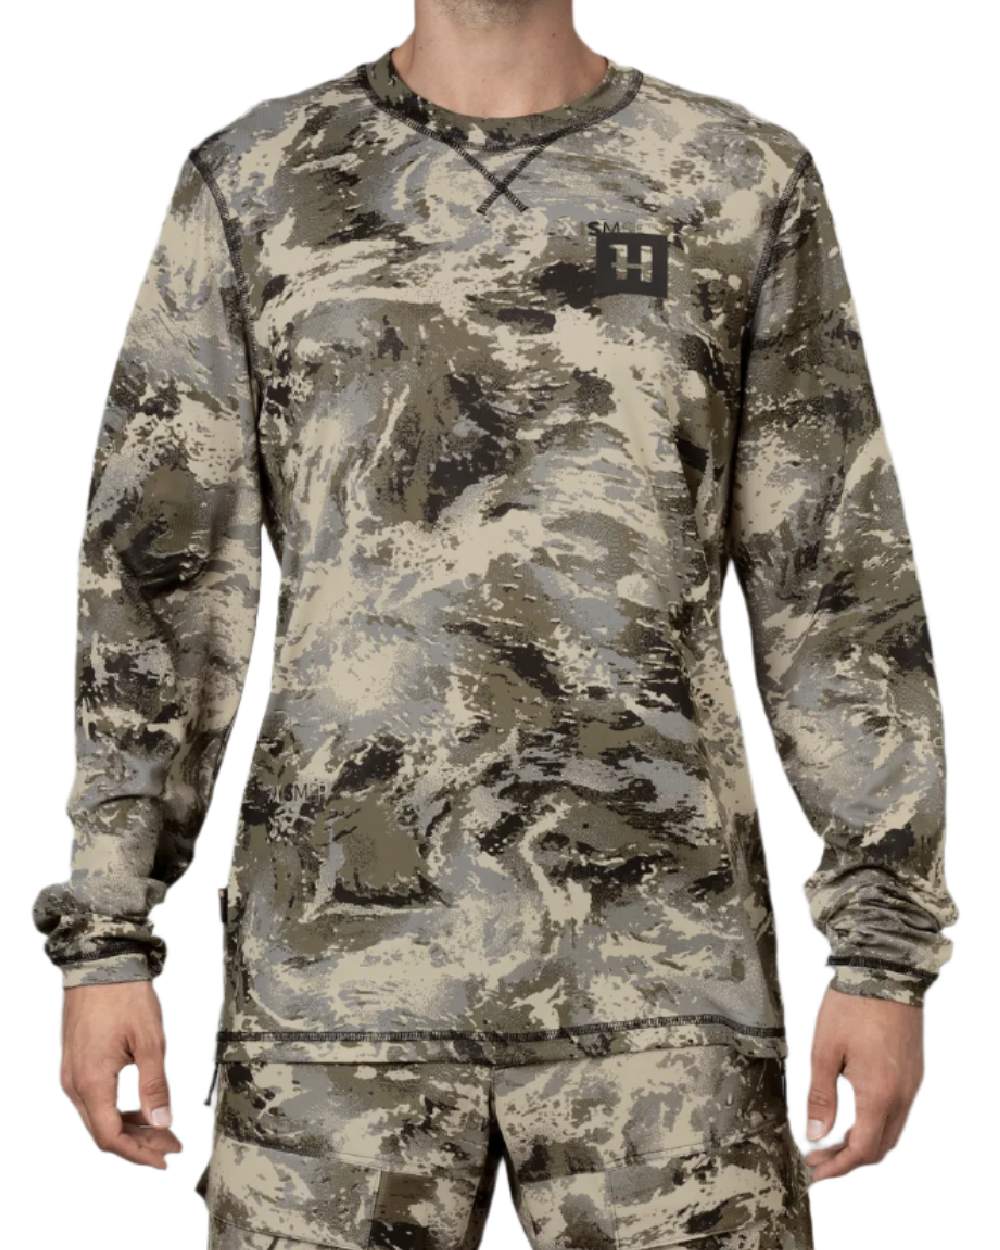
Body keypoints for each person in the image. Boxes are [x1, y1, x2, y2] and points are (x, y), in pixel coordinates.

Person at [34, 1, 958, 1246]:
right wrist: (105, 935)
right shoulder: (256, 185)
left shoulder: (737, 182)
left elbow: (835, 585)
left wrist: (883, 950)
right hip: (335, 1005)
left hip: (663, 994)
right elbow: (157, 581)